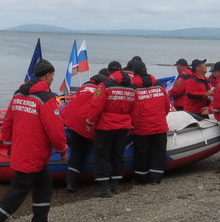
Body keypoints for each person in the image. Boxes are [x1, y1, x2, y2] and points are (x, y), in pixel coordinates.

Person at [0, 60, 68, 222]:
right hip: (34, 152)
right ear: (46, 75)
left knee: (44, 184)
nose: (53, 79)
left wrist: (9, 146)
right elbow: (55, 129)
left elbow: (8, 122)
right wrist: (62, 149)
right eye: (52, 76)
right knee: (17, 191)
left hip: (23, 149)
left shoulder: (18, 94)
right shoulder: (46, 99)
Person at [85, 61, 136, 198]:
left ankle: (104, 188)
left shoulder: (104, 86)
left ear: (108, 72)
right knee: (118, 155)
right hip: (123, 127)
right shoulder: (132, 88)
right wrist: (132, 124)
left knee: (102, 156)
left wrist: (90, 122)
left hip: (106, 126)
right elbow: (135, 109)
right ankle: (115, 185)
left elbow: (96, 106)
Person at [60, 72, 108, 192]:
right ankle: (103, 183)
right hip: (86, 121)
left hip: (70, 119)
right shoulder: (102, 89)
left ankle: (70, 183)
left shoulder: (83, 87)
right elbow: (99, 108)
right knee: (101, 150)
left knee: (77, 151)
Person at [130, 63, 170, 185]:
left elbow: (132, 109)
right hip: (159, 125)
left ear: (134, 73)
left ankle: (141, 179)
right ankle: (155, 179)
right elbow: (167, 106)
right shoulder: (159, 85)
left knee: (141, 154)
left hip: (141, 128)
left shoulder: (132, 87)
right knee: (158, 153)